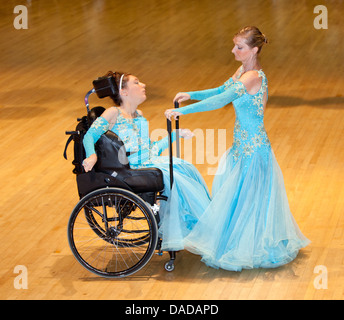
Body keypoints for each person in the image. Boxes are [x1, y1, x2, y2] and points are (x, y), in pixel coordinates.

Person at [165, 26, 310, 271]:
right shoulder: (243, 70)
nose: (234, 50)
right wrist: (191, 94)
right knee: (240, 198)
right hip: (242, 145)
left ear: (253, 50)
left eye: (239, 47)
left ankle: (250, 247)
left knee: (249, 200)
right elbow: (221, 91)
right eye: (234, 45)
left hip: (254, 148)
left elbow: (222, 101)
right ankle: (238, 241)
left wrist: (183, 111)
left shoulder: (252, 77)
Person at [82, 71, 211, 251]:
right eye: (136, 83)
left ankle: (197, 228)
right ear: (124, 92)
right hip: (131, 168)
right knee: (177, 176)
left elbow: (151, 149)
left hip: (149, 160)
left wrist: (174, 135)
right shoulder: (113, 113)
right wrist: (92, 155)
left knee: (185, 167)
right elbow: (89, 136)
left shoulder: (139, 115)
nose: (143, 85)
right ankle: (195, 229)